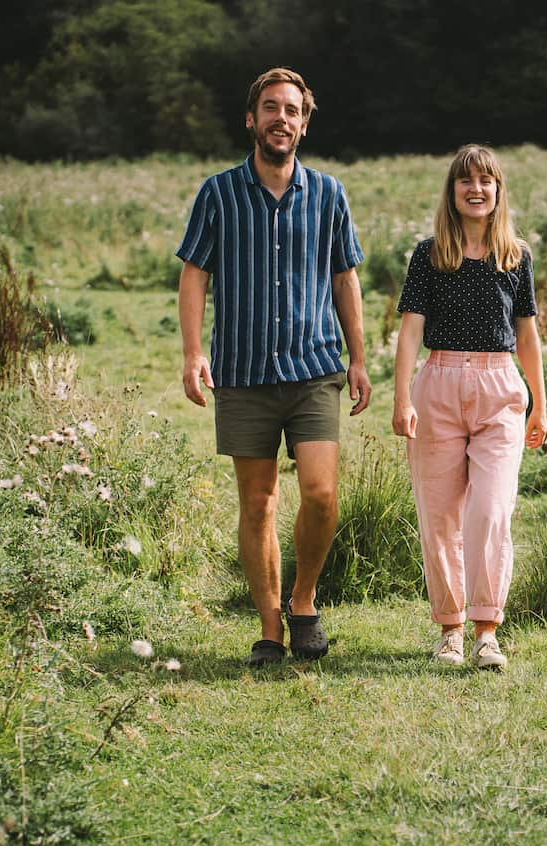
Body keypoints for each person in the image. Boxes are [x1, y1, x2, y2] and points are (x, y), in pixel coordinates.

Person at [177, 67, 371, 666]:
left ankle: (304, 600)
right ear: (250, 119)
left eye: (291, 110)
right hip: (242, 371)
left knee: (319, 492)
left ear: (304, 123)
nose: (280, 118)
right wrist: (192, 353)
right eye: (270, 108)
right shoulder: (217, 193)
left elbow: (345, 277)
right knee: (257, 501)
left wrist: (359, 357)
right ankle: (269, 628)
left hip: (315, 367)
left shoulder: (330, 194)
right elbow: (194, 275)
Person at [392, 144, 547, 670]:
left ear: (498, 190)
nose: (476, 189)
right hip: (437, 384)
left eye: (486, 180)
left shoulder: (516, 256)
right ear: (452, 191)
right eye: (466, 181)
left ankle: (488, 631)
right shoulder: (429, 253)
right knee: (439, 517)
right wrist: (400, 397)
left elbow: (528, 336)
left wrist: (539, 405)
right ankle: (451, 631)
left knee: (491, 509)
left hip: (501, 387)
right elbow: (411, 327)